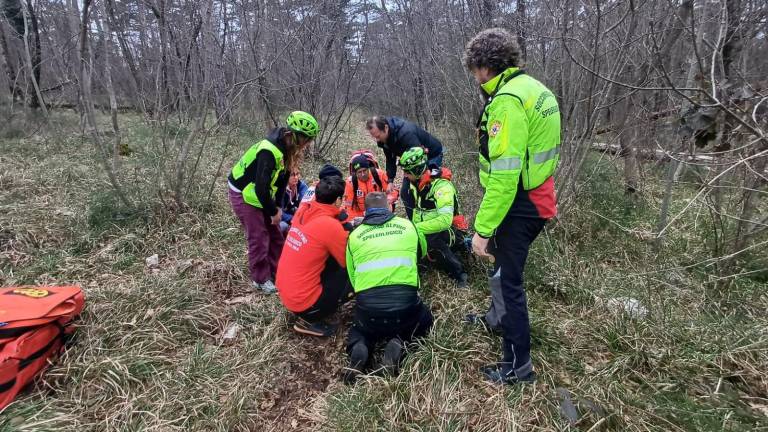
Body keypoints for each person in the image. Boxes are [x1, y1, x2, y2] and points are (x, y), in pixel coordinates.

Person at [463, 28, 560, 385]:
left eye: (474, 69)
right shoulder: (535, 89)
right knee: (502, 272)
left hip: (519, 203)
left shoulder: (507, 100)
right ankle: (495, 319)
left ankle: (518, 369)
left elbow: (505, 175)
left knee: (507, 281)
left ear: (485, 66)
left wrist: (482, 230)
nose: (475, 77)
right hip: (537, 195)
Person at [343, 192, 434, 384]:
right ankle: (399, 341)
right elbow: (422, 252)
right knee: (424, 320)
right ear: (389, 207)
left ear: (365, 212)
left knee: (360, 329)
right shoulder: (409, 226)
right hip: (405, 306)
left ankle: (360, 346)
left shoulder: (354, 236)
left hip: (369, 311)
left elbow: (353, 277)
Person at [228, 111, 319, 294]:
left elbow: (281, 181)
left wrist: (277, 207)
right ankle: (260, 279)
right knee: (259, 236)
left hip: (260, 193)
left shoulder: (287, 149)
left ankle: (279, 271)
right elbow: (261, 188)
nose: (307, 144)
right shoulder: (268, 151)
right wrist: (272, 212)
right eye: (306, 139)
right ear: (294, 135)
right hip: (244, 192)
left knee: (276, 234)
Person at [275, 176, 353, 337]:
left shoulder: (303, 211)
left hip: (287, 293)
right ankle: (311, 319)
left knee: (326, 257)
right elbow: (348, 261)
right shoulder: (330, 226)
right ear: (338, 200)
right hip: (304, 303)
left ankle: (309, 309)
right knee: (354, 271)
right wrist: (348, 229)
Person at [398, 147, 469, 287]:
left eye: (407, 172)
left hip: (452, 229)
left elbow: (445, 220)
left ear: (417, 170)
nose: (404, 175)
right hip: (429, 226)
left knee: (432, 239)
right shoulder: (416, 184)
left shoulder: (441, 186)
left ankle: (459, 273)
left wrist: (416, 228)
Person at [365, 116, 443, 218]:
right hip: (411, 159)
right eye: (374, 137)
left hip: (431, 155)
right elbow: (390, 159)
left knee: (426, 189)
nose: (377, 140)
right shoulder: (384, 140)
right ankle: (414, 223)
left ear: (386, 128)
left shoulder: (406, 134)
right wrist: (390, 181)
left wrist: (416, 181)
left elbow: (419, 160)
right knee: (406, 193)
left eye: (378, 136)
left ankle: (433, 219)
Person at [342, 153, 390, 223]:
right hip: (361, 215)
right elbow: (350, 208)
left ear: (368, 169)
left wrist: (388, 203)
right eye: (359, 172)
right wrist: (356, 221)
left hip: (380, 211)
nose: (363, 174)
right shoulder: (350, 183)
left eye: (364, 171)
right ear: (355, 173)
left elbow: (392, 191)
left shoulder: (379, 174)